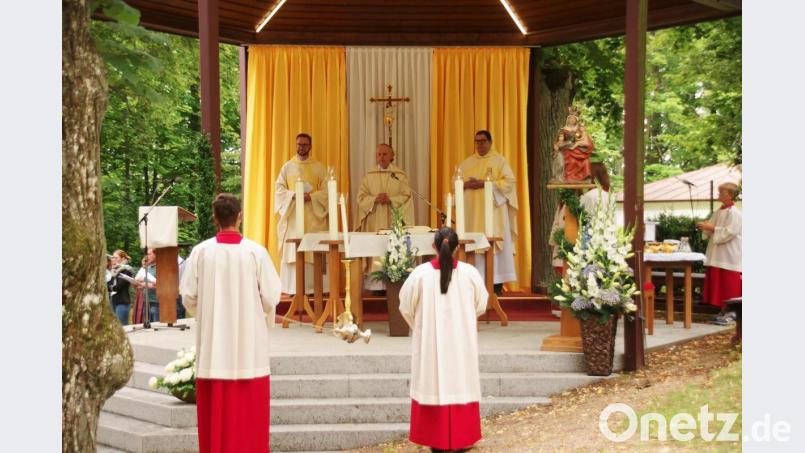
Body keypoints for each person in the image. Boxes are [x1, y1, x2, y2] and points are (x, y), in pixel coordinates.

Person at [180, 193, 281, 453]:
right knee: (249, 417)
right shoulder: (256, 252)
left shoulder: (201, 252)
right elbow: (271, 297)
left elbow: (188, 296)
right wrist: (257, 313)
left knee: (216, 418)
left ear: (214, 218)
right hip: (249, 346)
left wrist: (209, 313)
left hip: (213, 347)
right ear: (240, 216)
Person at [399, 228, 488, 453]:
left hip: (430, 345)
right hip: (461, 343)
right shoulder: (470, 274)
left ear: (434, 246)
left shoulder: (420, 274)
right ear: (457, 247)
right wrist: (464, 320)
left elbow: (406, 307)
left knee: (432, 382)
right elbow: (481, 305)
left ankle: (435, 439)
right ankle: (462, 438)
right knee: (461, 381)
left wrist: (422, 327)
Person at [458, 130, 518, 294]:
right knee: (473, 243)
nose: (480, 145)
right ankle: (473, 283)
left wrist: (485, 183)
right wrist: (465, 185)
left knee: (493, 242)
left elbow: (509, 182)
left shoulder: (499, 161)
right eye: (477, 141)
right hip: (472, 213)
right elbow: (455, 181)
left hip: (493, 213)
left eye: (483, 141)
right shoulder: (467, 163)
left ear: (490, 142)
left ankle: (495, 284)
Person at [274, 133, 330, 295]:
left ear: (310, 146)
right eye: (299, 144)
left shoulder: (319, 167)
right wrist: (294, 195)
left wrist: (311, 197)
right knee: (294, 251)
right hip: (294, 216)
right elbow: (279, 189)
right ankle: (293, 288)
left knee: (313, 250)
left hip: (314, 216)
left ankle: (315, 288)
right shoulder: (287, 167)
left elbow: (327, 191)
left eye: (305, 145)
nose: (301, 147)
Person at [357, 143, 415, 291]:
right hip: (374, 221)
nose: (381, 157)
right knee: (376, 251)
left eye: (385, 154)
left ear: (392, 156)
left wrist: (392, 200)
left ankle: (395, 283)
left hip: (394, 220)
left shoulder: (399, 175)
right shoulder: (369, 176)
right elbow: (361, 198)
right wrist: (374, 199)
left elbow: (407, 195)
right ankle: (375, 287)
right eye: (379, 154)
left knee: (393, 249)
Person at [696, 182, 742, 324]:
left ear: (730, 195)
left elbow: (731, 231)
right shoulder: (719, 211)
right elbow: (713, 228)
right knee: (719, 283)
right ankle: (723, 310)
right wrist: (705, 227)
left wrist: (712, 228)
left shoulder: (735, 213)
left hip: (729, 254)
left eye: (722, 192)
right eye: (719, 192)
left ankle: (733, 313)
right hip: (717, 253)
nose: (719, 194)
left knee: (729, 283)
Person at [553, 108, 594, 183]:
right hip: (567, 147)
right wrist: (561, 143)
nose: (571, 120)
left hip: (578, 148)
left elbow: (585, 138)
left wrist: (584, 141)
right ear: (567, 119)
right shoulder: (563, 130)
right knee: (569, 157)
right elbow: (559, 140)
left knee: (585, 160)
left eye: (573, 119)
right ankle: (569, 177)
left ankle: (583, 178)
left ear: (576, 120)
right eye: (570, 118)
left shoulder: (579, 129)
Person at [108, 250, 134, 325]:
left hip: (122, 302)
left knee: (122, 326)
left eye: (116, 258)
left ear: (122, 259)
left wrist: (111, 287)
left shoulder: (127, 271)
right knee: (114, 326)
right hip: (113, 300)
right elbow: (109, 284)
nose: (113, 259)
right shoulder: (114, 270)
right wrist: (111, 287)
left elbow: (117, 287)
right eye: (113, 257)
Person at [134, 247, 159, 322]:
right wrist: (137, 284)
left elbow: (162, 285)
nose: (146, 257)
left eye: (149, 254)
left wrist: (145, 285)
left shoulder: (161, 267)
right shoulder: (147, 267)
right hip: (146, 301)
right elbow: (138, 280)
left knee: (156, 326)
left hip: (157, 302)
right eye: (146, 255)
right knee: (147, 326)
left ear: (156, 254)